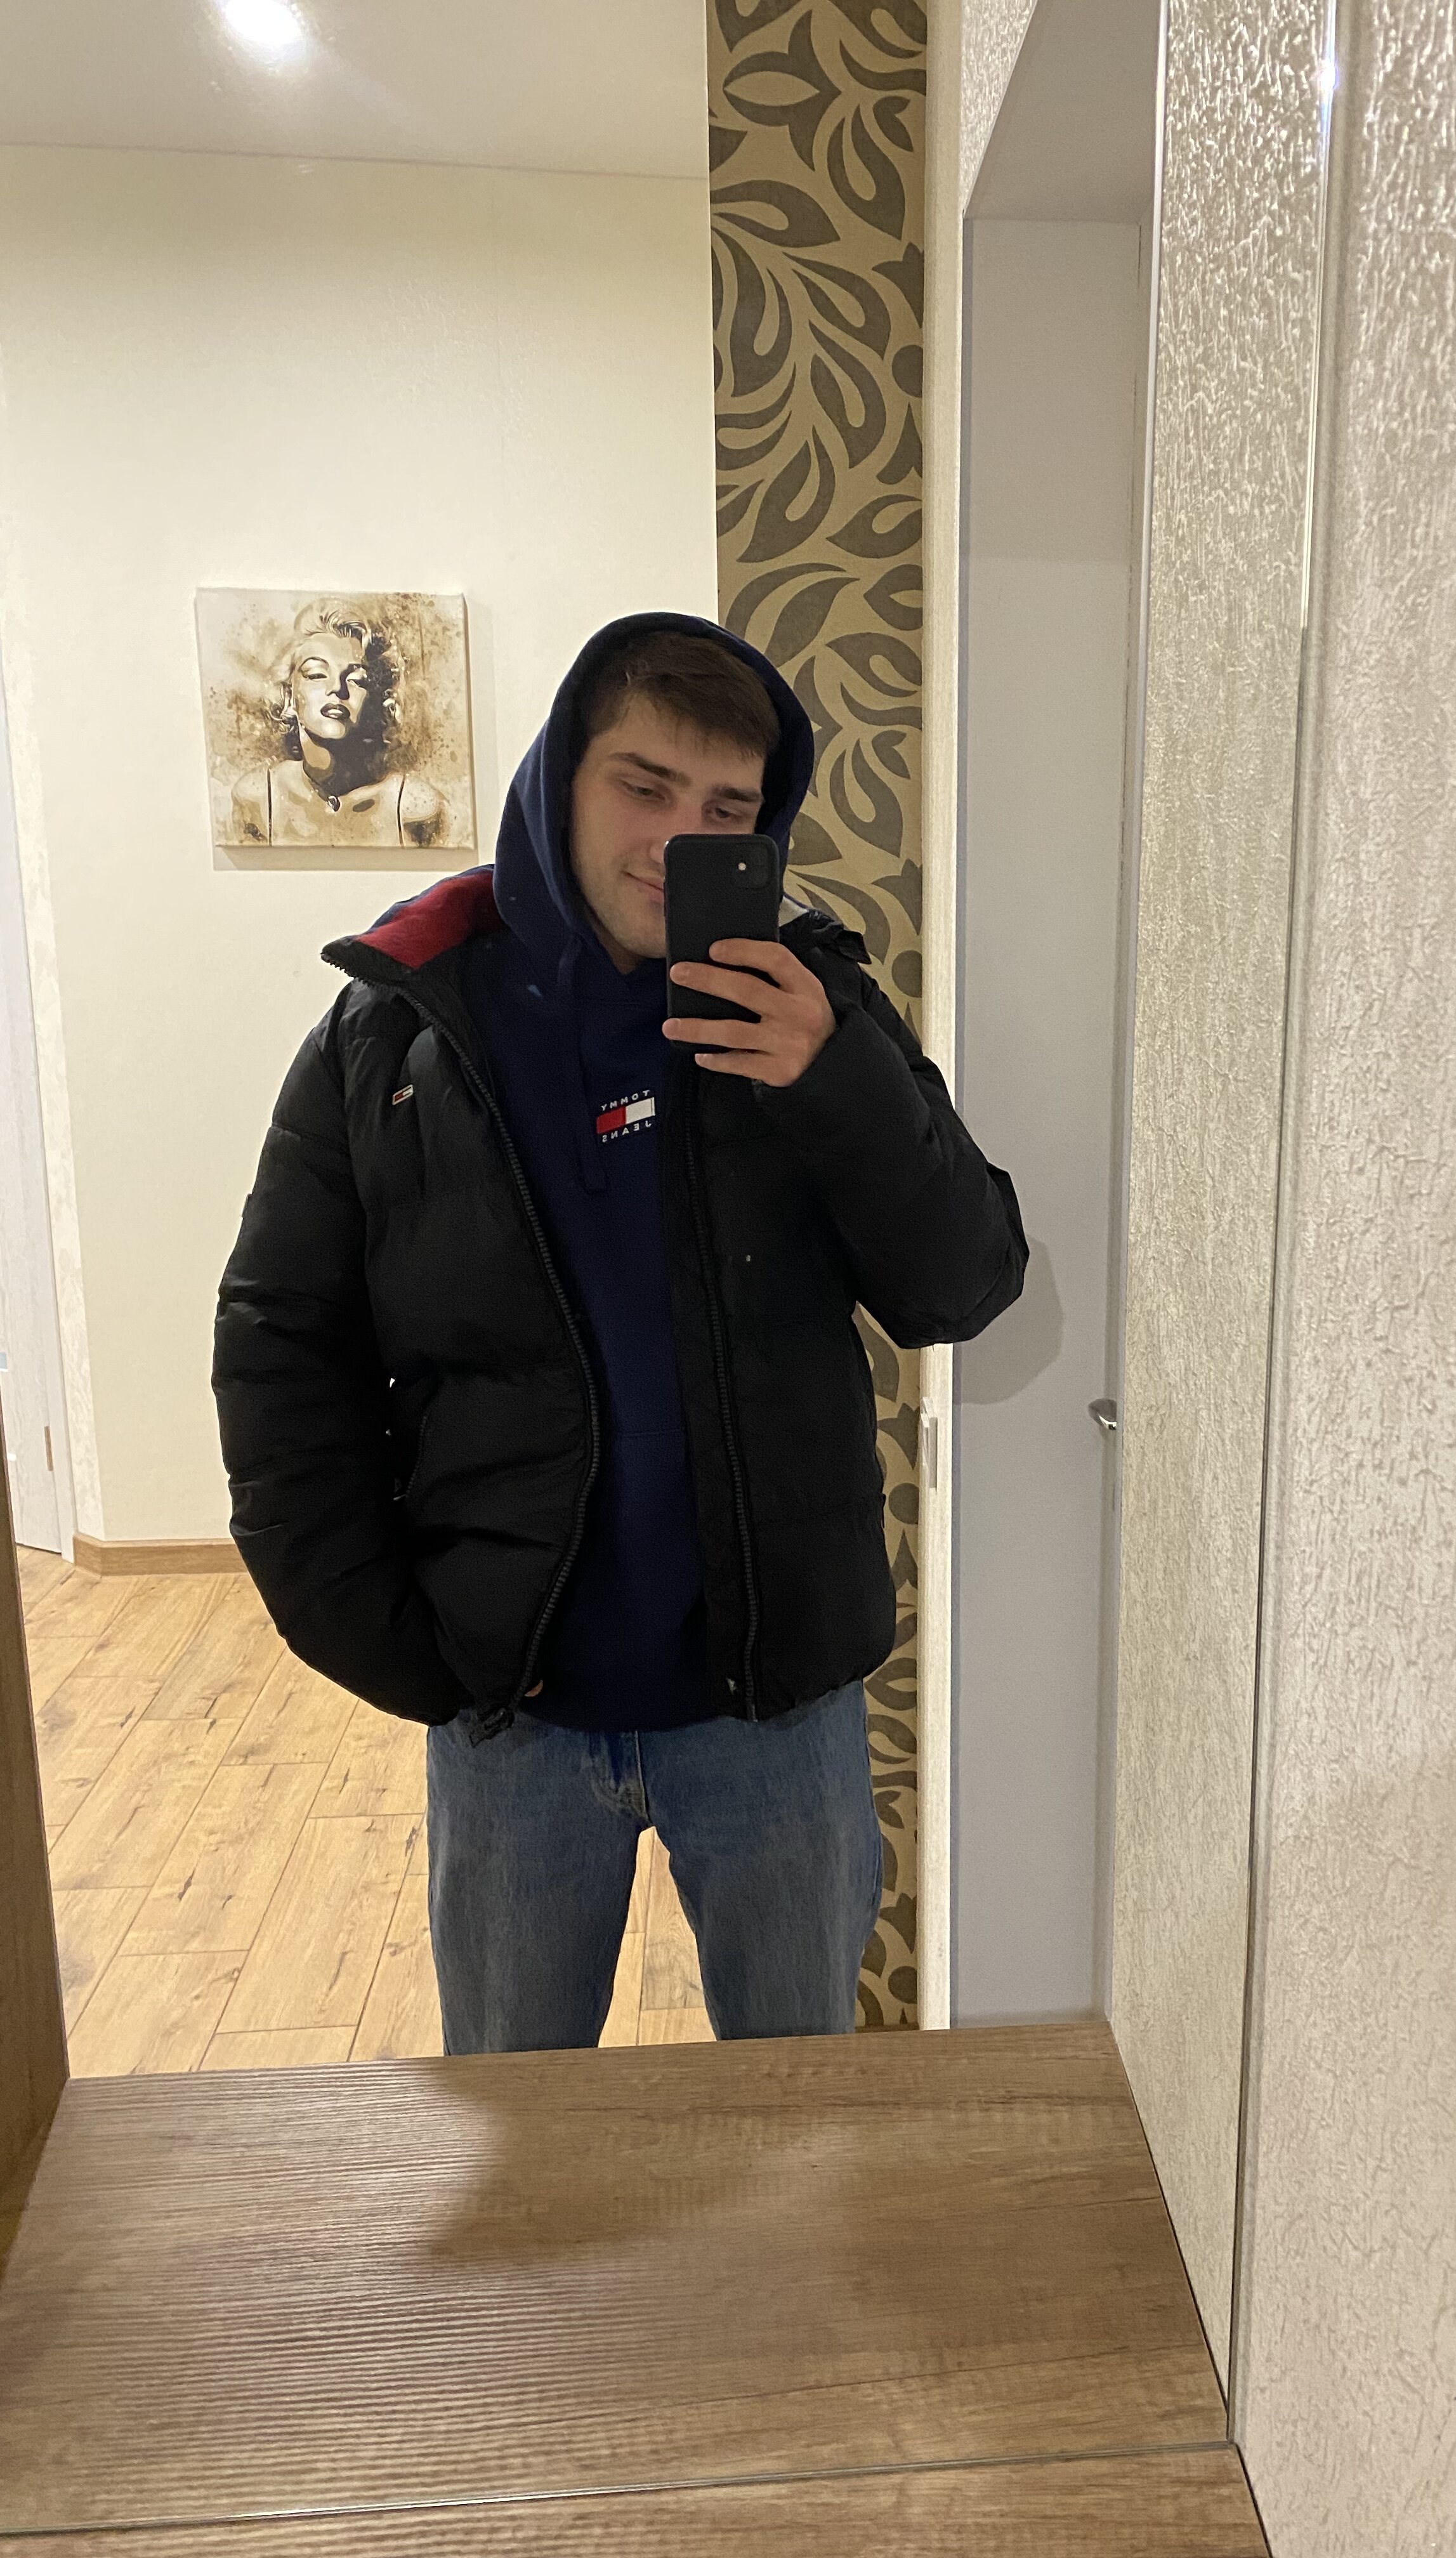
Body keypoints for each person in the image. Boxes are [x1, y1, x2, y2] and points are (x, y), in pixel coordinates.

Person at [213, 613, 1026, 2050]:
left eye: (725, 809)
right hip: (515, 1718)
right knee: (518, 2119)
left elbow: (962, 1285)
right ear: (559, 780)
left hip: (773, 1714)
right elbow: (284, 1351)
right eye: (643, 787)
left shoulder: (811, 1005)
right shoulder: (396, 1033)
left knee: (793, 2117)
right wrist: (392, 1643)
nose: (676, 839)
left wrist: (833, 1081)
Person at [230, 600, 449, 850]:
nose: (337, 688)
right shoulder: (257, 799)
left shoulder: (415, 808)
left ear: (377, 701)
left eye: (356, 679)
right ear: (289, 698)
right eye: (316, 675)